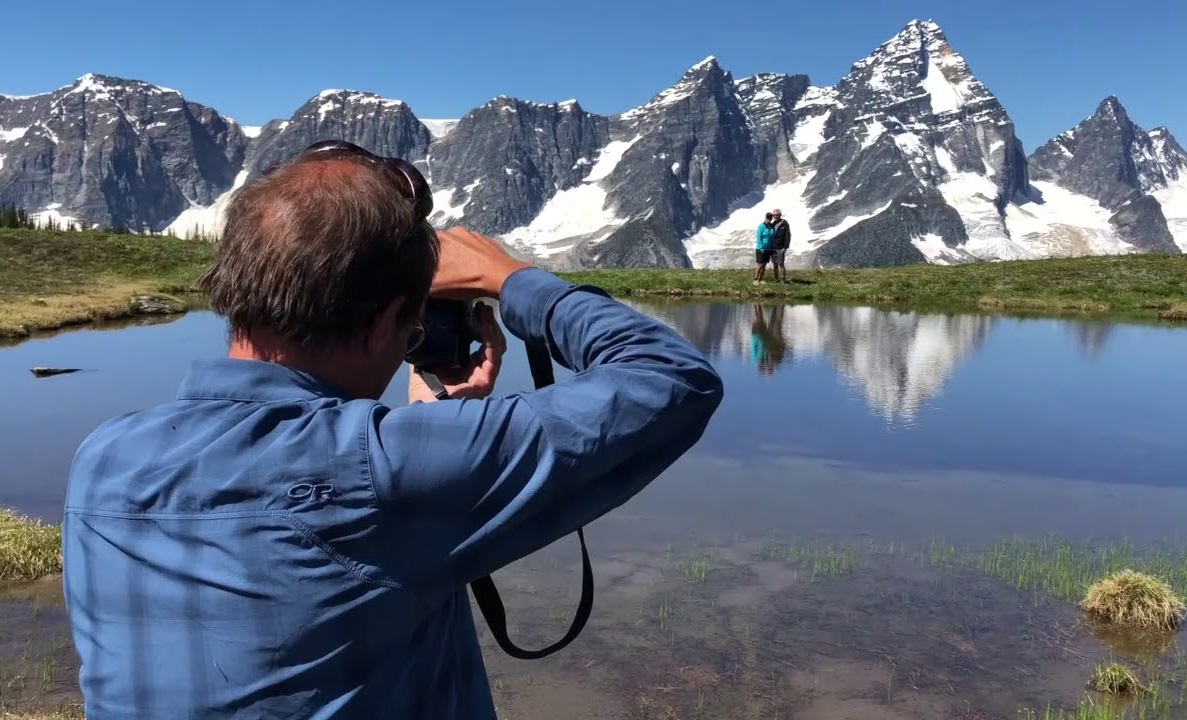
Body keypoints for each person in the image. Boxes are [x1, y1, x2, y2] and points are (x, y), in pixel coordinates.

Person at [60, 140, 724, 719]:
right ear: (384, 324)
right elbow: (673, 379)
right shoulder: (379, 474)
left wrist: (422, 433)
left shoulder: (103, 458)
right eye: (410, 329)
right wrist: (512, 279)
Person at [749, 303, 787, 376]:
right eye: (770, 369)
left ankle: (755, 305)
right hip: (763, 336)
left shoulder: (756, 358)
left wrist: (756, 337)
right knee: (760, 319)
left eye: (769, 369)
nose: (769, 367)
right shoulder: (766, 358)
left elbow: (754, 346)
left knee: (759, 319)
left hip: (758, 336)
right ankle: (757, 304)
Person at [770, 208, 792, 283]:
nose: (775, 216)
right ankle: (776, 278)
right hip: (773, 246)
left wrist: (785, 247)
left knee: (780, 263)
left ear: (780, 215)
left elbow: (787, 236)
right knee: (774, 263)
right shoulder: (773, 224)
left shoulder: (785, 224)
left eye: (777, 215)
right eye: (774, 215)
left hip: (780, 247)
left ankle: (783, 279)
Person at [754, 212, 775, 284]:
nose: (769, 219)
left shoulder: (771, 227)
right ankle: (756, 279)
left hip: (768, 248)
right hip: (760, 248)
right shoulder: (761, 226)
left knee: (764, 264)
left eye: (770, 218)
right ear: (765, 217)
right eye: (768, 217)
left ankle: (761, 279)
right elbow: (759, 237)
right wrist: (761, 247)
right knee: (759, 264)